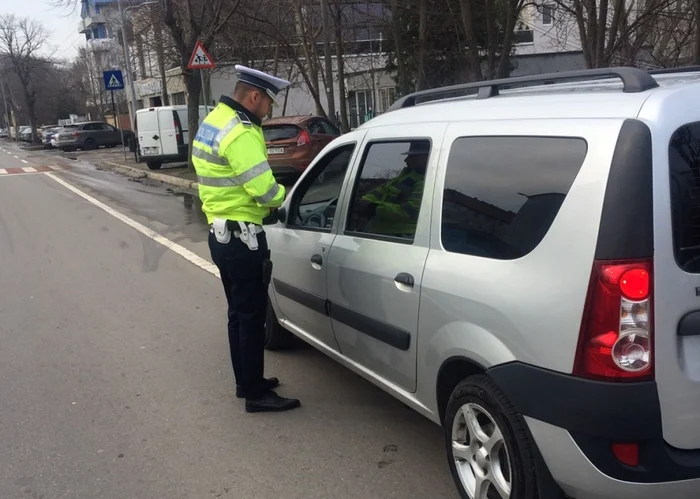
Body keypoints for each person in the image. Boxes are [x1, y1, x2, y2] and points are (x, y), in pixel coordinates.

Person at [192, 65, 301, 413]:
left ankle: (246, 382)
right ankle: (256, 394)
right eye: (268, 102)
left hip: (221, 235)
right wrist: (286, 196)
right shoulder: (241, 132)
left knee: (238, 314)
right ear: (254, 96)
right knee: (251, 316)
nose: (269, 109)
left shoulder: (213, 122)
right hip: (243, 239)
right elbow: (265, 190)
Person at [354, 141, 429, 237]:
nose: (406, 160)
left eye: (413, 156)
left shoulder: (426, 182)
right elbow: (375, 194)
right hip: (380, 233)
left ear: (426, 158)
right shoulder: (402, 178)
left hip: (401, 237)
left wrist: (373, 208)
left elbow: (411, 211)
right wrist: (366, 202)